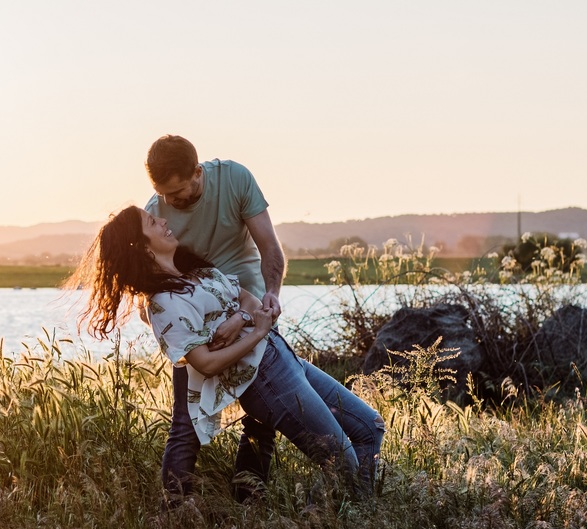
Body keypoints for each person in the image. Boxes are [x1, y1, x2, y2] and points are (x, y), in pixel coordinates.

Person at [76, 206, 384, 498]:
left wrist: (241, 319)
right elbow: (206, 363)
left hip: (282, 356)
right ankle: (325, 521)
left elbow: (249, 299)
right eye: (152, 222)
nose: (163, 221)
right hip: (264, 380)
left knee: (370, 427)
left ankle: (357, 512)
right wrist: (258, 331)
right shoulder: (164, 303)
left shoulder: (194, 270)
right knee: (340, 462)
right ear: (142, 248)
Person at [143, 135, 285, 502]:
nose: (170, 202)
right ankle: (176, 513)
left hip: (253, 313)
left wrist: (270, 296)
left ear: (197, 171)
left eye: (177, 192)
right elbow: (153, 290)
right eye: (163, 194)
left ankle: (248, 502)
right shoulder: (155, 214)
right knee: (186, 424)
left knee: (261, 420)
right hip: (200, 329)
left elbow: (270, 247)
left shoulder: (234, 179)